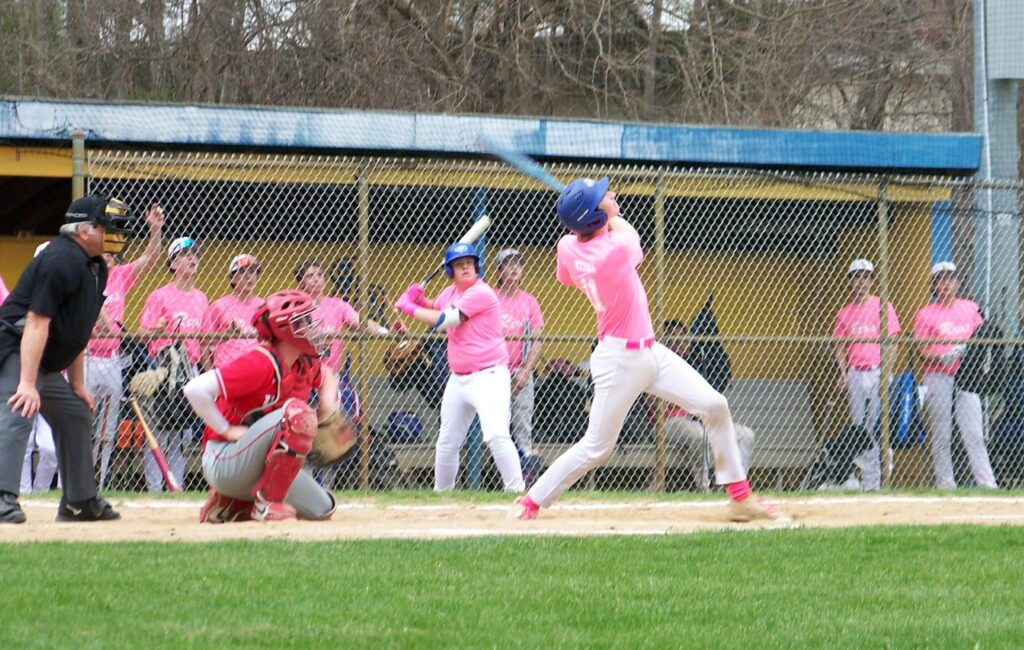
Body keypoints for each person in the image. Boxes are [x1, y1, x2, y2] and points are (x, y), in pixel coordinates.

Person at [509, 177, 784, 522]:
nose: (613, 196)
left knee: (715, 405)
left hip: (651, 351)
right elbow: (624, 232)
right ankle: (532, 500)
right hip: (619, 361)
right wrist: (605, 213)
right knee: (597, 447)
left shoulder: (568, 247)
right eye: (605, 198)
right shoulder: (616, 250)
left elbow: (567, 271)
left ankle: (740, 497)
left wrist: (590, 213)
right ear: (595, 219)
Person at [0, 194, 132, 524]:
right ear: (83, 230)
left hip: (40, 357)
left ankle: (79, 501)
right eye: (108, 227)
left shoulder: (96, 266)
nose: (116, 234)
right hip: (15, 348)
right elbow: (35, 322)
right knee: (20, 407)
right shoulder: (60, 260)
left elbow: (78, 328)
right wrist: (28, 384)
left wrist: (77, 384)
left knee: (74, 412)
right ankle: (3, 498)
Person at [183, 289, 338, 522]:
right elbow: (194, 389)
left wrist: (327, 405)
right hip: (224, 458)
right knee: (297, 414)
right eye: (304, 321)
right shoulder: (260, 362)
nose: (314, 327)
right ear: (286, 329)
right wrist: (225, 429)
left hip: (253, 463)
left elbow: (326, 375)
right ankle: (267, 504)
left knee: (323, 509)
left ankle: (232, 504)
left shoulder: (303, 362)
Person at [393, 242, 525, 491]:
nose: (465, 268)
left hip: (490, 375)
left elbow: (446, 319)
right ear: (450, 271)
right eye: (458, 265)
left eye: (468, 264)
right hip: (459, 378)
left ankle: (516, 491)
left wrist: (410, 307)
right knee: (447, 441)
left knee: (496, 435)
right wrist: (419, 297)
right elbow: (437, 306)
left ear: (477, 268)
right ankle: (442, 495)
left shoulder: (481, 293)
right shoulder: (450, 293)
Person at [87, 203, 165, 490]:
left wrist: (155, 230)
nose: (108, 256)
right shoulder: (88, 273)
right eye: (104, 251)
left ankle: (99, 481)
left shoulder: (120, 276)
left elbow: (150, 258)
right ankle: (74, 479)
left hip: (112, 359)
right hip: (85, 357)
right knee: (84, 424)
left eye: (112, 253)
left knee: (107, 431)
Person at [913, 261, 997, 489]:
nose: (945, 284)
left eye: (950, 279)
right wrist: (942, 357)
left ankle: (987, 482)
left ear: (957, 282)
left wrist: (975, 360)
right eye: (940, 280)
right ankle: (945, 484)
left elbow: (984, 335)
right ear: (934, 285)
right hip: (939, 376)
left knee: (974, 433)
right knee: (942, 434)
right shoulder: (925, 314)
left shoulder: (970, 307)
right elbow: (921, 350)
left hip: (966, 376)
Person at [137, 236, 209, 492]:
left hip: (189, 370)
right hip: (163, 370)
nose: (193, 260)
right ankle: (155, 487)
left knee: (182, 433)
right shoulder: (159, 296)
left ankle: (175, 487)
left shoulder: (201, 298)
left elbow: (205, 340)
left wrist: (207, 373)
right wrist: (156, 329)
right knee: (160, 430)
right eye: (186, 255)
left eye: (195, 256)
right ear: (173, 262)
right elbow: (142, 333)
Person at [831, 258, 901, 491]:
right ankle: (869, 482)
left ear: (872, 280)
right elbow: (840, 346)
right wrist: (843, 372)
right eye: (856, 277)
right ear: (850, 281)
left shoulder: (884, 306)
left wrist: (886, 373)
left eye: (865, 277)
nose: (861, 282)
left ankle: (883, 480)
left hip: (878, 371)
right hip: (856, 373)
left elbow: (892, 343)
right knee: (861, 428)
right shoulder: (845, 312)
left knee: (881, 426)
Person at [661, 320, 755, 490]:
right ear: (664, 343)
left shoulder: (695, 364)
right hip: (668, 422)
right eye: (672, 339)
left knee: (745, 435)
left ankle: (732, 488)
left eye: (681, 338)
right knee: (699, 435)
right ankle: (704, 487)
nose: (677, 344)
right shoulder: (658, 364)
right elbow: (657, 404)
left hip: (697, 420)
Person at [493, 248, 545, 477]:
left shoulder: (529, 302)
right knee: (498, 425)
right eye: (508, 264)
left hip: (520, 370)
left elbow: (537, 338)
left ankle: (526, 475)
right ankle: (503, 473)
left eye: (518, 264)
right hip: (494, 371)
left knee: (523, 423)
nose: (514, 268)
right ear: (499, 271)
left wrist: (525, 371)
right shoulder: (491, 298)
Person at [201, 254, 263, 370]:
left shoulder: (263, 305)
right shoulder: (219, 306)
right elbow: (204, 343)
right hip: (227, 370)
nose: (249, 276)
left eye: (253, 272)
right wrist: (210, 375)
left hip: (256, 370)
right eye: (243, 272)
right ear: (232, 278)